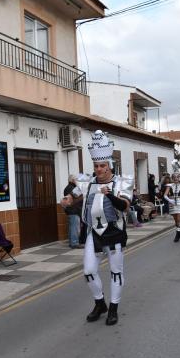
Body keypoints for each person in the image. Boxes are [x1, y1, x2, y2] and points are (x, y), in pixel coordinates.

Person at [61, 130, 132, 326]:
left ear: (110, 166)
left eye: (102, 166)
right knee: (89, 271)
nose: (99, 169)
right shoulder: (88, 182)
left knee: (116, 271)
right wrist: (67, 201)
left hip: (114, 232)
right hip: (94, 233)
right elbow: (73, 196)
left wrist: (109, 194)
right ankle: (100, 303)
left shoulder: (121, 182)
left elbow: (124, 207)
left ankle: (114, 308)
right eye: (96, 166)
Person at [63, 175, 83, 248]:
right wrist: (77, 185)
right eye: (76, 179)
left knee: (72, 227)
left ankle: (72, 242)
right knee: (74, 227)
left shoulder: (68, 187)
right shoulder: (71, 188)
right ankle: (74, 243)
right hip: (73, 210)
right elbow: (76, 196)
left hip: (71, 210)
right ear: (72, 180)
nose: (77, 180)